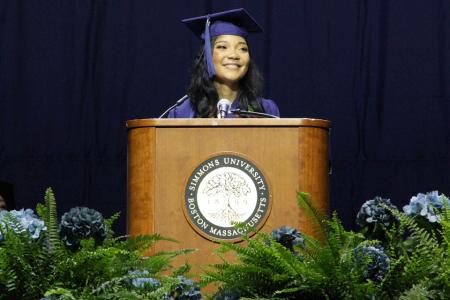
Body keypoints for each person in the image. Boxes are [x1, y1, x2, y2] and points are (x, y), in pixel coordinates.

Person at [167, 8, 279, 118]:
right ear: (207, 55)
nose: (234, 55)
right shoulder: (183, 113)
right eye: (223, 47)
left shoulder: (266, 110)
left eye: (243, 49)